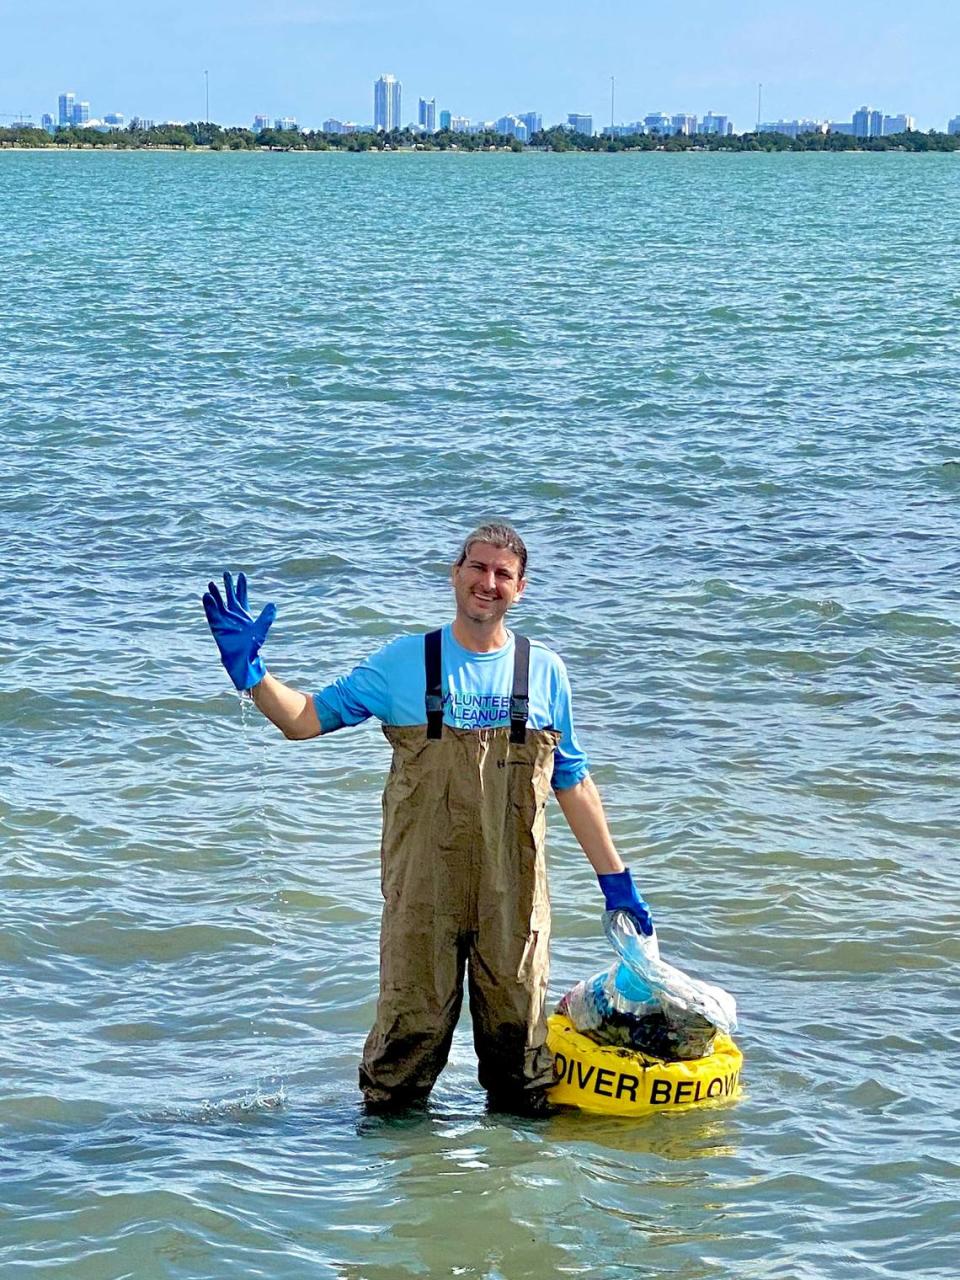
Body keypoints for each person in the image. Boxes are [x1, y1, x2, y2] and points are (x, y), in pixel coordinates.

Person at [203, 522, 653, 1114]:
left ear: (521, 588)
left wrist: (616, 882)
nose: (487, 583)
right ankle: (403, 1185)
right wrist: (253, 676)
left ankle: (511, 1186)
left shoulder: (544, 671)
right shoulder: (404, 662)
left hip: (512, 894)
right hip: (423, 891)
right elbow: (305, 719)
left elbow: (570, 779)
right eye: (477, 567)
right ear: (455, 573)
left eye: (503, 574)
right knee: (403, 1054)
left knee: (519, 1059)